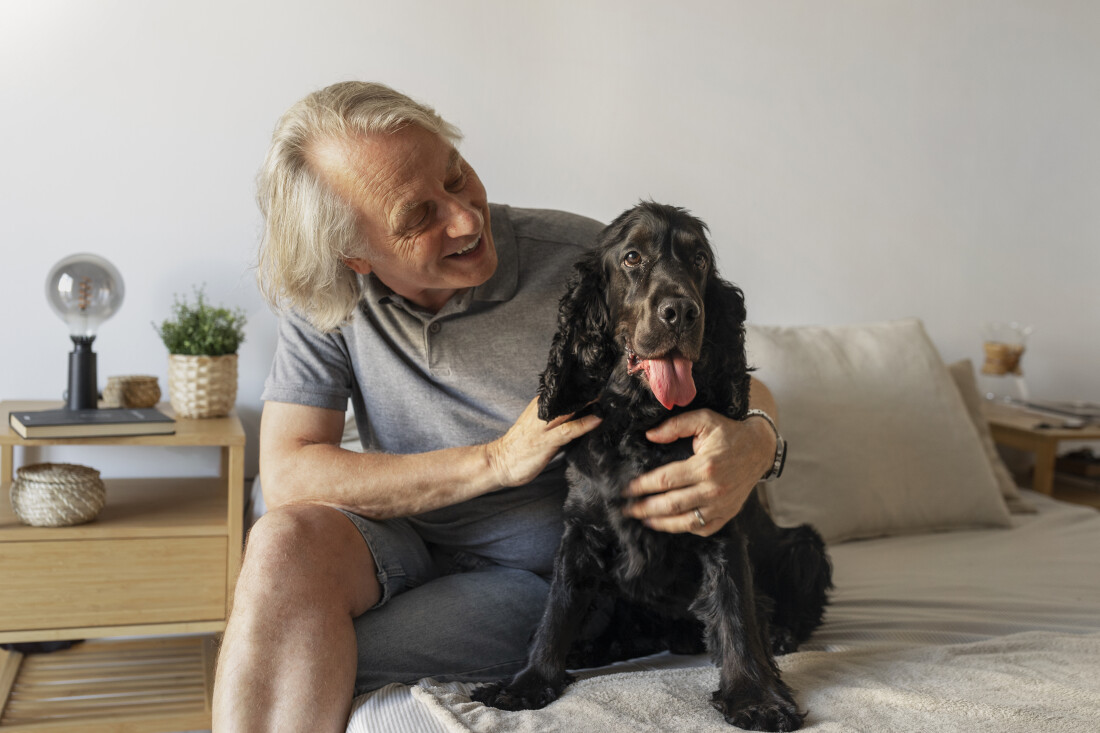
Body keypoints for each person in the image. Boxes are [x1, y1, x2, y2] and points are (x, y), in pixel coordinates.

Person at [211, 81, 782, 731]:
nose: (464, 218)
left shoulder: (584, 263)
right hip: (401, 537)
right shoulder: (329, 297)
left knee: (289, 646)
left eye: (457, 176)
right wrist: (494, 460)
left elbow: (730, 378)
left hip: (538, 572)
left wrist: (757, 442)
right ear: (354, 256)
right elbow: (288, 474)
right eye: (418, 216)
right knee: (281, 544)